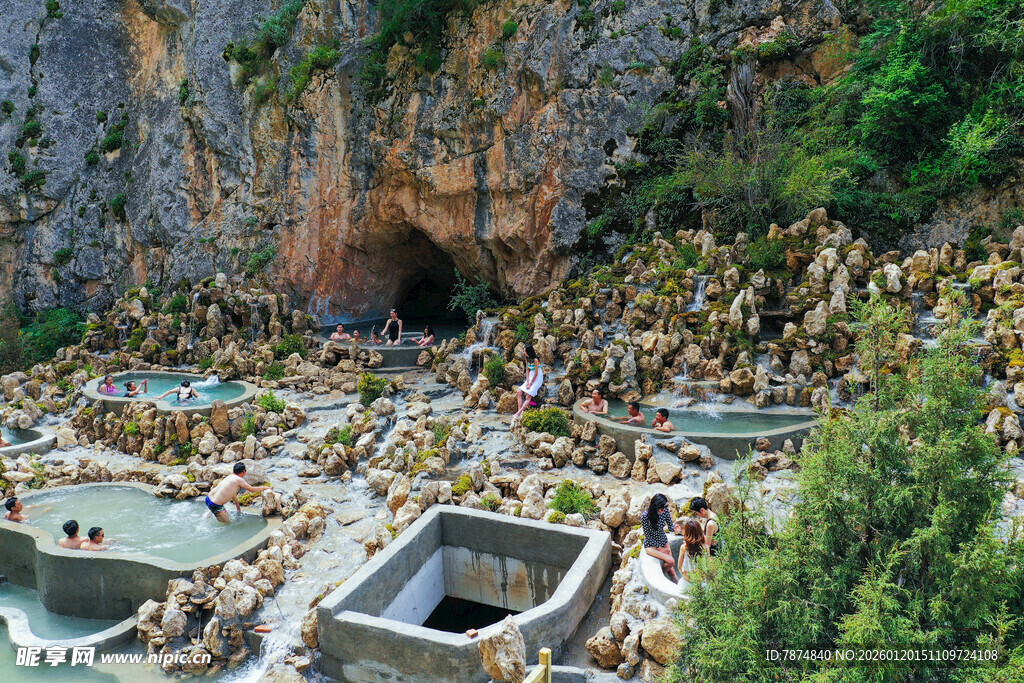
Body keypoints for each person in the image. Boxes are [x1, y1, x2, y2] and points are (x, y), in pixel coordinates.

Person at [205, 462, 272, 524]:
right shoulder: (239, 480)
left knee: (213, 508)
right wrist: (264, 487)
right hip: (216, 505)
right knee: (227, 524)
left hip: (208, 498)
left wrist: (237, 504)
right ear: (244, 472)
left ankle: (207, 516)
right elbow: (252, 489)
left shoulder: (230, 476)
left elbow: (231, 492)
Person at [641, 494, 681, 582]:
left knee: (673, 572)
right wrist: (659, 548)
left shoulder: (665, 511)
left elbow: (670, 526)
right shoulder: (645, 516)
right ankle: (661, 576)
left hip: (663, 539)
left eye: (665, 507)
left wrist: (674, 529)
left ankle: (676, 584)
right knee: (671, 561)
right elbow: (647, 535)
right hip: (651, 544)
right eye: (662, 508)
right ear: (655, 506)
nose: (664, 509)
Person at [514, 345, 544, 420]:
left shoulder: (535, 360)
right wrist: (527, 381)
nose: (524, 352)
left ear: (529, 351)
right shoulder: (527, 358)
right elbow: (527, 370)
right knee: (519, 392)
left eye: (525, 351)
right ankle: (519, 411)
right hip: (531, 376)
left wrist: (531, 383)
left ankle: (518, 413)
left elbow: (536, 373)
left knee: (528, 396)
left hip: (538, 377)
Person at [677, 519, 706, 589]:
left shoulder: (684, 548)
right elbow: (706, 566)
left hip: (686, 583)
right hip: (701, 584)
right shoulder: (705, 547)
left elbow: (679, 567)